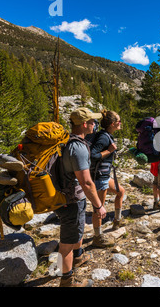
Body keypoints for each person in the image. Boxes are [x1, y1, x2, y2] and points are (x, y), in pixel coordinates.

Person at [55, 107, 107, 287]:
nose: (95, 125)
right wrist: (99, 206)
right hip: (71, 200)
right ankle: (66, 280)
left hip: (68, 197)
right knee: (66, 244)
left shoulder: (70, 142)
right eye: (93, 122)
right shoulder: (78, 147)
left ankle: (78, 257)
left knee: (77, 231)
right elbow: (86, 183)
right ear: (84, 124)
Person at [90, 110, 126, 247]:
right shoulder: (104, 138)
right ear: (112, 124)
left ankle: (117, 221)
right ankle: (97, 237)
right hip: (99, 177)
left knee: (120, 192)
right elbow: (92, 155)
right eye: (118, 121)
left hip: (103, 176)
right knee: (98, 208)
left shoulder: (106, 135)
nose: (120, 123)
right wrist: (109, 151)